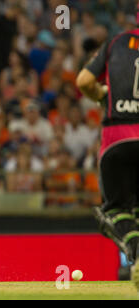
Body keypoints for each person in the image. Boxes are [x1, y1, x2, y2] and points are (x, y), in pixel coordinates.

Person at [76, 11, 139, 289]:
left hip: (117, 138)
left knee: (115, 210)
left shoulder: (116, 42)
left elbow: (83, 82)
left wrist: (103, 96)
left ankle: (136, 253)